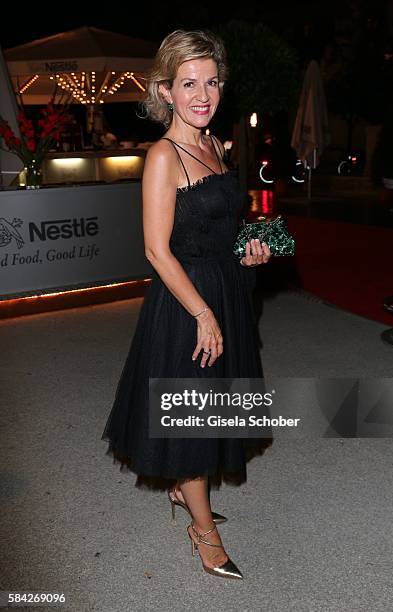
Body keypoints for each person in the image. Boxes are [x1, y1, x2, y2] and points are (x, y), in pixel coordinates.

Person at [101, 29, 273, 580]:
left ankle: (182, 490)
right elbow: (156, 248)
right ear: (165, 90)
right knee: (193, 413)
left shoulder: (215, 145)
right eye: (189, 83)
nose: (203, 94)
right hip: (186, 301)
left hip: (225, 286)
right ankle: (204, 531)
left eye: (212, 81)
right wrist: (203, 313)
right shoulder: (162, 156)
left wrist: (248, 251)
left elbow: (223, 227)